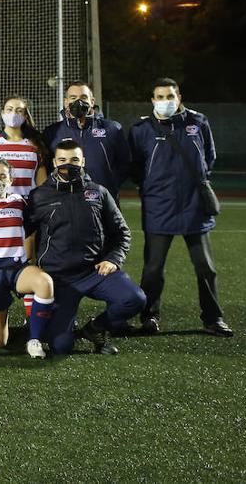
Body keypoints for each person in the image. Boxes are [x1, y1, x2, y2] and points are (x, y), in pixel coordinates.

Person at [129, 78, 232, 336]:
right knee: (153, 269)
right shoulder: (141, 129)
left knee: (206, 267)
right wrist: (153, 187)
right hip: (158, 206)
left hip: (194, 205)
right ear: (152, 100)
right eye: (160, 97)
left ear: (179, 97)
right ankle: (149, 317)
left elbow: (209, 157)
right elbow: (135, 166)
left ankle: (213, 319)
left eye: (170, 96)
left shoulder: (198, 122)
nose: (165, 101)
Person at [26, 140, 146, 355]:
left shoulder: (98, 192)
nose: (68, 165)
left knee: (134, 299)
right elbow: (22, 232)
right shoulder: (39, 196)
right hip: (58, 279)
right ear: (54, 163)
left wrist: (113, 259)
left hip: (94, 272)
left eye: (74, 160)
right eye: (62, 160)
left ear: (83, 162)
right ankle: (65, 328)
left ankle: (96, 329)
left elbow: (122, 232)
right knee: (61, 346)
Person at [0, 159, 55, 358]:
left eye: (2, 176)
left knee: (44, 282)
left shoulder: (20, 201)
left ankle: (34, 340)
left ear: (11, 179)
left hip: (17, 268)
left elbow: (37, 222)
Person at [41, 80, 130, 199]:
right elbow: (46, 168)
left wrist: (110, 185)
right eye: (73, 98)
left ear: (92, 101)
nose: (78, 102)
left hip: (103, 200)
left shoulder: (112, 129)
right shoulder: (52, 132)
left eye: (83, 97)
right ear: (66, 102)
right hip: (66, 200)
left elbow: (125, 163)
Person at [0, 94, 49, 197]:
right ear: (2, 113)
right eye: (9, 109)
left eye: (19, 111)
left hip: (27, 204)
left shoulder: (35, 144)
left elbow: (42, 184)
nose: (14, 114)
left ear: (25, 116)